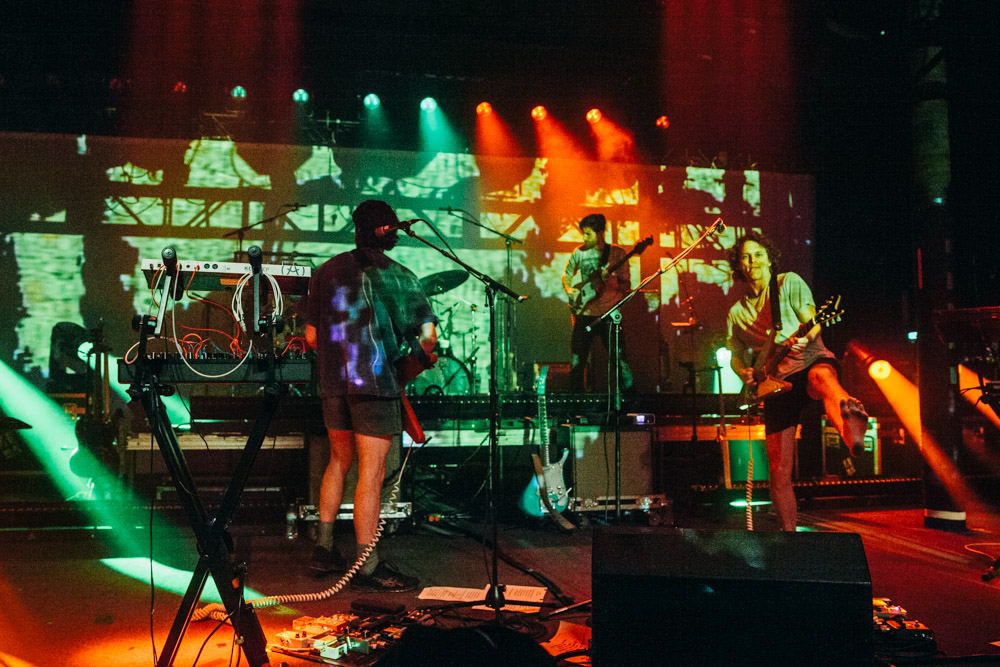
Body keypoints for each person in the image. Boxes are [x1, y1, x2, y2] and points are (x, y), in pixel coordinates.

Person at [303, 199, 437, 591]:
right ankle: (368, 564)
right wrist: (416, 357)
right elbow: (428, 338)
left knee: (338, 461)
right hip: (376, 384)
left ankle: (324, 549)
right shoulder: (401, 276)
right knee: (372, 473)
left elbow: (311, 337)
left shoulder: (326, 271)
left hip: (333, 382)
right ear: (388, 231)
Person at [726, 231, 868, 531]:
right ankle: (789, 537)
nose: (753, 261)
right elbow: (735, 355)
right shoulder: (736, 313)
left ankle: (851, 428)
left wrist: (805, 336)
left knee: (822, 376)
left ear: (769, 259)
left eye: (758, 255)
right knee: (778, 471)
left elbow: (812, 322)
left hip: (808, 361)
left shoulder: (788, 282)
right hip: (775, 383)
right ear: (738, 265)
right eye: (746, 257)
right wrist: (744, 372)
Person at [561, 213, 635, 394]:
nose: (584, 238)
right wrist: (570, 290)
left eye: (588, 234)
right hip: (584, 313)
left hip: (609, 313)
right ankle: (576, 401)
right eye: (583, 234)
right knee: (577, 361)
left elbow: (626, 285)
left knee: (619, 359)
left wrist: (612, 281)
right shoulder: (579, 252)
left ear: (601, 233)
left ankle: (629, 398)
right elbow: (566, 275)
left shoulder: (617, 253)